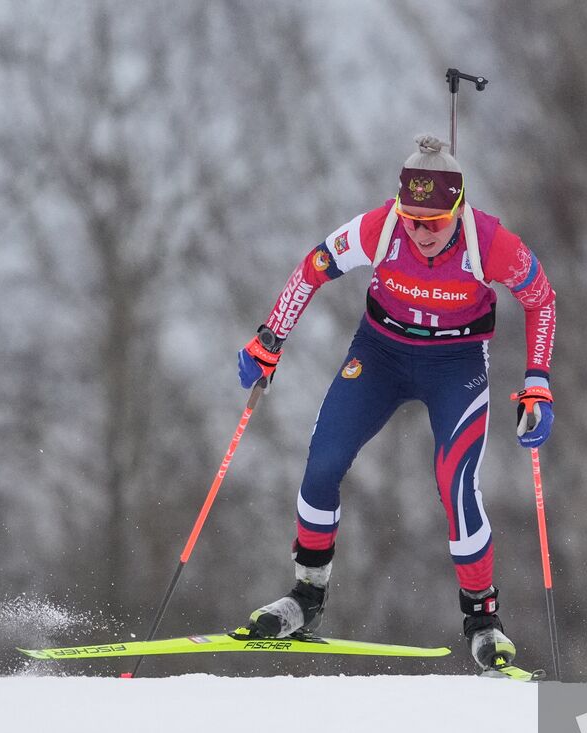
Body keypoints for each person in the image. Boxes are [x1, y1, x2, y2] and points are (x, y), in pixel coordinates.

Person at [229, 134, 558, 672]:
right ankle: (305, 597)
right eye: (412, 219)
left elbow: (541, 298)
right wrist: (271, 338)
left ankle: (483, 619)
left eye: (434, 220)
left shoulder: (491, 242)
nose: (421, 232)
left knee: (456, 484)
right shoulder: (380, 229)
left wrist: (538, 381)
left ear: (459, 209)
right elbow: (314, 265)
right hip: (380, 354)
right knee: (323, 463)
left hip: (456, 364)